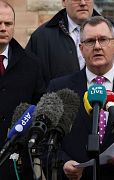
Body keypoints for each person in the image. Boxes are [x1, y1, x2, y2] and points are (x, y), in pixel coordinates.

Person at [47, 16, 114, 179]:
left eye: (103, 40)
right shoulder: (59, 89)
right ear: (81, 49)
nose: (97, 46)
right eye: (90, 41)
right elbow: (45, 141)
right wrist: (62, 163)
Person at [26, 0, 114, 84]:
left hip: (110, 111)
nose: (83, 3)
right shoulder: (42, 38)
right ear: (64, 1)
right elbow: (30, 83)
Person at [0, 1, 46, 179]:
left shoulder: (31, 64)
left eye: (8, 23)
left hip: (18, 165)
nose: (3, 28)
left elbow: (39, 106)